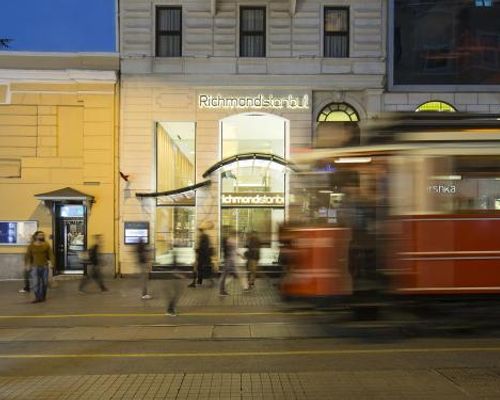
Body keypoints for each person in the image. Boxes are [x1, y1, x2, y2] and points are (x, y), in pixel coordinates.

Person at [24, 230, 54, 303]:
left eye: (43, 235)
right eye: (40, 235)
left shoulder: (46, 245)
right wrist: (27, 264)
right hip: (34, 267)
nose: (42, 236)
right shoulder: (31, 246)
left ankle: (43, 296)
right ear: (36, 236)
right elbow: (28, 256)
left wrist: (52, 263)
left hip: (44, 266)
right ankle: (37, 297)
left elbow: (51, 255)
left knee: (45, 283)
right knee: (36, 283)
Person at [219, 230, 249, 296]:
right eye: (237, 235)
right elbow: (231, 251)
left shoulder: (231, 240)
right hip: (229, 261)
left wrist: (241, 256)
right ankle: (222, 290)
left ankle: (222, 289)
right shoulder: (231, 240)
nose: (238, 236)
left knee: (230, 275)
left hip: (230, 261)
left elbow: (234, 251)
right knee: (229, 275)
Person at [188, 222, 214, 288]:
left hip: (202, 257)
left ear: (200, 231)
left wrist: (197, 250)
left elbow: (203, 248)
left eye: (199, 231)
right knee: (200, 270)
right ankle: (198, 281)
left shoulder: (203, 237)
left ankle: (195, 282)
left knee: (197, 269)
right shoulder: (204, 236)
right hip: (204, 257)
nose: (198, 232)